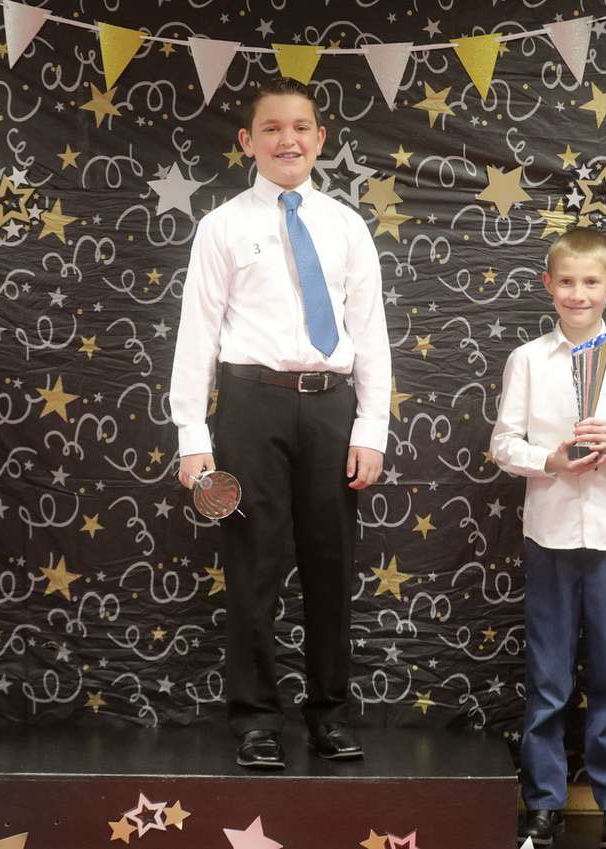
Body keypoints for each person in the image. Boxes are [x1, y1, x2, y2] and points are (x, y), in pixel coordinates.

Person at [170, 77, 391, 769]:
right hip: (251, 403)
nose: (286, 139)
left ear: (321, 139)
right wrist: (192, 435)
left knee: (331, 564)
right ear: (247, 141)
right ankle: (256, 718)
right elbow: (197, 333)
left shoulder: (347, 225)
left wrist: (372, 427)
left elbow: (371, 332)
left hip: (331, 406)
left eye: (300, 127)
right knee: (254, 565)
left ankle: (329, 712)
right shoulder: (223, 226)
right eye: (271, 128)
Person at [490, 228, 606, 849]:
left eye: (590, 282)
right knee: (548, 676)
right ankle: (543, 803)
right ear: (548, 285)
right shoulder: (528, 360)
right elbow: (502, 444)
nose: (577, 293)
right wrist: (550, 460)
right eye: (566, 281)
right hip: (550, 535)